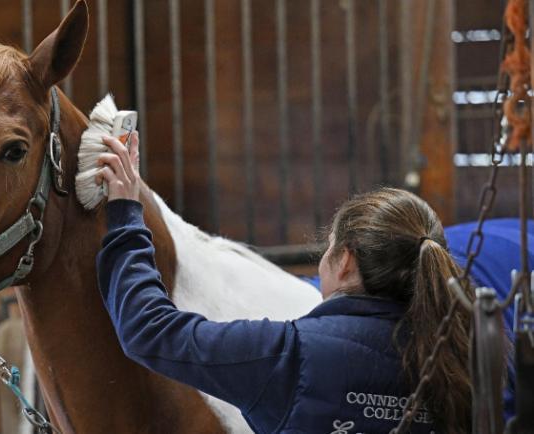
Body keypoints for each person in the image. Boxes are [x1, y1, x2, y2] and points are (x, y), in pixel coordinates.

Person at [94, 133, 481, 433]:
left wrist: (127, 214)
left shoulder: (290, 355)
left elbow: (148, 331)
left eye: (327, 249)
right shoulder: (461, 356)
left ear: (345, 261)